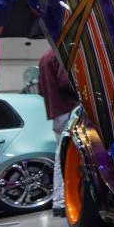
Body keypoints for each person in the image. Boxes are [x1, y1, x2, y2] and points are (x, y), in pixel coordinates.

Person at [38, 48, 80, 216]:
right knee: (67, 155)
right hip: (69, 107)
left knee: (60, 154)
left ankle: (60, 201)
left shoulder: (44, 57)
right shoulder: (61, 53)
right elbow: (66, 82)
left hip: (57, 110)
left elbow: (41, 89)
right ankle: (63, 200)